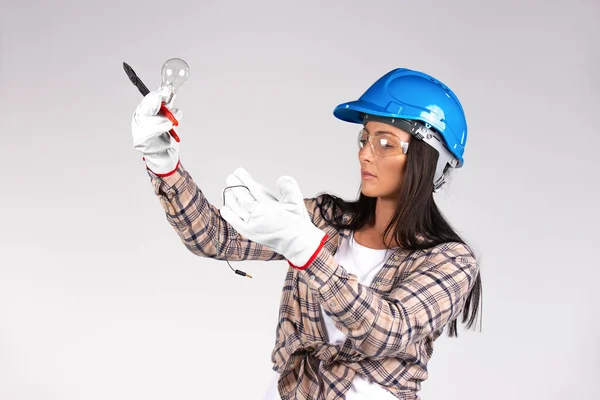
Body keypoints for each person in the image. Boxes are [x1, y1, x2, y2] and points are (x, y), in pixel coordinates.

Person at [130, 67, 483, 400]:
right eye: (364, 138)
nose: (364, 153)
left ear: (430, 160)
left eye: (385, 143)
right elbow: (213, 238)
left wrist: (310, 255)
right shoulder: (326, 220)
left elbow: (387, 332)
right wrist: (165, 168)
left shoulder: (451, 261)